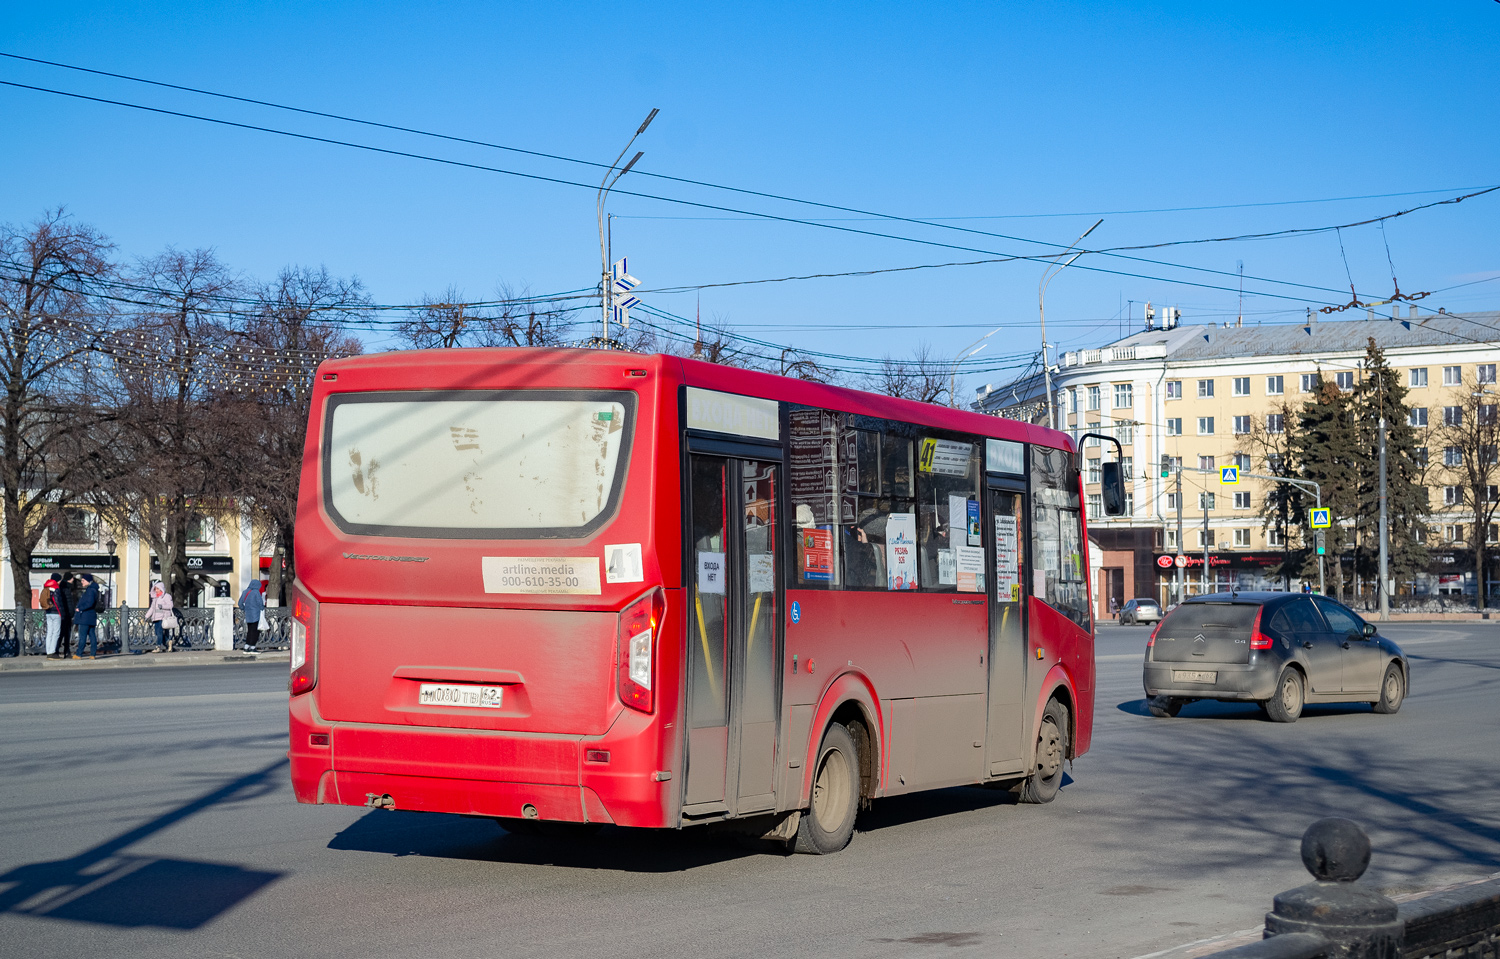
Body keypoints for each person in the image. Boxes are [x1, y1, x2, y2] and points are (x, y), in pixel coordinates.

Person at [74, 573, 101, 659]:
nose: (81, 582)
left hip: (85, 617)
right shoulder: (94, 589)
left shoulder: (90, 590)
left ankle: (79, 654)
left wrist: (80, 608)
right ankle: (92, 654)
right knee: (92, 635)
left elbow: (89, 603)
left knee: (83, 636)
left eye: (83, 580)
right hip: (91, 616)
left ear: (88, 581)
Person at [144, 581, 176, 652]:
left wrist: (162, 606)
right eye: (155, 589)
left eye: (157, 589)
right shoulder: (155, 598)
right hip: (156, 618)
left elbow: (170, 605)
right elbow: (152, 608)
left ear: (161, 589)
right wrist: (147, 616)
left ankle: (158, 647)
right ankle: (168, 642)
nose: (156, 590)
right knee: (158, 632)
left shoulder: (167, 596)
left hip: (163, 617)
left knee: (159, 632)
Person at [239, 580, 265, 653]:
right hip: (256, 614)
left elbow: (240, 603)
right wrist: (262, 608)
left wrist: (245, 609)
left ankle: (246, 646)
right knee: (255, 631)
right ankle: (252, 647)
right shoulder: (256, 592)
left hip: (248, 614)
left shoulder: (245, 592)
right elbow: (260, 603)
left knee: (249, 630)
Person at [40, 576, 62, 658]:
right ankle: (52, 652)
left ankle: (48, 650)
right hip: (56, 613)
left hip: (48, 612)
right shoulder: (56, 589)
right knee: (56, 633)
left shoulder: (46, 588)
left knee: (49, 632)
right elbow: (58, 602)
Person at [57, 572, 76, 659]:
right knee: (64, 633)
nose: (73, 580)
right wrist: (71, 612)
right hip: (66, 614)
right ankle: (65, 651)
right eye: (72, 578)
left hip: (64, 613)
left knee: (62, 633)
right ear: (69, 579)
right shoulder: (66, 588)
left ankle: (58, 650)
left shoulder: (63, 587)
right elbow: (68, 602)